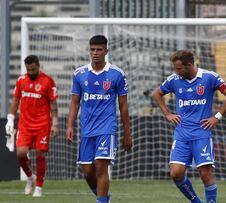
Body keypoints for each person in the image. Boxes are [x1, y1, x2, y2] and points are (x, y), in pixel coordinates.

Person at [152, 50, 226, 203]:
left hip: (202, 133)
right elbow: (156, 94)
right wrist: (167, 114)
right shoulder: (174, 80)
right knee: (175, 173)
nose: (176, 72)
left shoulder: (209, 77)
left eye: (179, 68)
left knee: (205, 174)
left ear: (190, 65)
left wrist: (217, 117)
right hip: (181, 134)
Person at [66, 35, 132, 203]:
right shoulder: (79, 74)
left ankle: (101, 201)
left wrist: (127, 133)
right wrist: (70, 126)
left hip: (106, 128)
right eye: (92, 49)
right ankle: (104, 198)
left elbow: (123, 105)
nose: (95, 53)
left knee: (101, 167)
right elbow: (75, 102)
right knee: (88, 171)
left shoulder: (117, 74)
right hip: (87, 129)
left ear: (106, 51)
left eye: (99, 50)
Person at [5, 55, 58, 197]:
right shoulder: (21, 80)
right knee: (21, 153)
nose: (31, 72)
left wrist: (55, 123)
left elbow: (53, 104)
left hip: (42, 125)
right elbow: (16, 100)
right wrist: (10, 119)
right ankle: (30, 177)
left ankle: (39, 188)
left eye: (33, 69)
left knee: (40, 154)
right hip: (25, 125)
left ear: (38, 66)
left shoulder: (48, 81)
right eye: (28, 70)